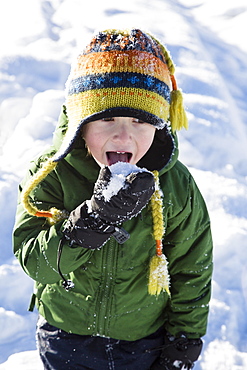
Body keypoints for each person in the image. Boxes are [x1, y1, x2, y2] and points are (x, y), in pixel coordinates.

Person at [13, 28, 213, 370]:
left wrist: (184, 340)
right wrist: (88, 223)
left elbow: (192, 269)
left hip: (143, 339)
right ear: (81, 122)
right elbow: (34, 261)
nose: (124, 135)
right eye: (106, 118)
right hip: (64, 336)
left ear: (159, 126)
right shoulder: (52, 175)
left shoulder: (175, 187)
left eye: (140, 120)